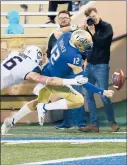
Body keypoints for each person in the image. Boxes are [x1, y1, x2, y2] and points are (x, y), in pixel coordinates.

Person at [1, 30, 114, 135]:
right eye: (85, 45)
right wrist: (102, 91)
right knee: (78, 100)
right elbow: (82, 82)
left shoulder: (66, 36)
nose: (88, 48)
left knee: (38, 101)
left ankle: (12, 121)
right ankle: (45, 107)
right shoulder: (74, 57)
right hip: (52, 79)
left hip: (48, 70)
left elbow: (57, 33)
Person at [79, 7, 120, 132]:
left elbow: (103, 43)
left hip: (101, 65)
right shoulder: (87, 29)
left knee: (104, 95)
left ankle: (112, 122)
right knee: (88, 95)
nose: (93, 18)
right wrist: (82, 32)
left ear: (97, 14)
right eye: (90, 17)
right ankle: (94, 124)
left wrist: (92, 33)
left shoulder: (107, 27)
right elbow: (83, 46)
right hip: (89, 65)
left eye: (94, 15)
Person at [47, 10, 86, 129]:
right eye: (61, 18)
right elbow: (49, 52)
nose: (63, 19)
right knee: (66, 96)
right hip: (61, 71)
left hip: (73, 70)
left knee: (77, 94)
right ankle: (67, 122)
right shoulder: (54, 35)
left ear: (70, 19)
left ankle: (81, 123)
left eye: (66, 17)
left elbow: (84, 49)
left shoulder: (77, 33)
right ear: (58, 20)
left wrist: (81, 63)